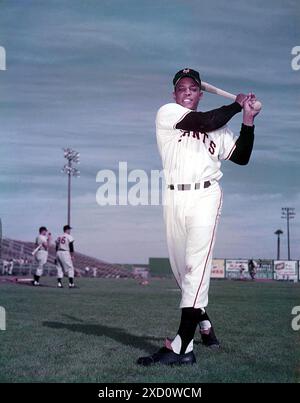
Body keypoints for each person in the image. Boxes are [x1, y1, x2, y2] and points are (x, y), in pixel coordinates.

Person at [137, 68, 260, 366]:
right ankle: (204, 323)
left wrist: (247, 120)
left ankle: (182, 349)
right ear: (175, 94)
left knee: (195, 269)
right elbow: (205, 121)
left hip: (206, 196)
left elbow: (241, 156)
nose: (188, 91)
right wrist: (236, 104)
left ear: (200, 93)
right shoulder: (167, 114)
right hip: (174, 197)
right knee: (183, 274)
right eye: (182, 87)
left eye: (193, 87)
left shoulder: (219, 127)